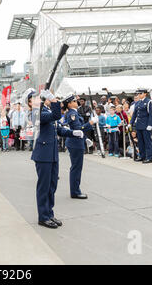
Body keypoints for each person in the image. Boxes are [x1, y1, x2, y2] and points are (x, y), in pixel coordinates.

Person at [31, 91, 82, 229]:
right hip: (43, 155)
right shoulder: (37, 112)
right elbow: (56, 115)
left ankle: (49, 213)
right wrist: (54, 101)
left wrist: (73, 133)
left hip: (52, 154)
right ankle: (43, 217)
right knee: (44, 186)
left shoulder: (46, 110)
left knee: (52, 185)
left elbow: (58, 129)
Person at [63, 94, 98, 199]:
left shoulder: (74, 112)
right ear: (69, 104)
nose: (76, 102)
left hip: (76, 142)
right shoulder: (72, 114)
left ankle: (75, 190)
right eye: (74, 101)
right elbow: (79, 128)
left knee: (76, 167)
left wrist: (85, 139)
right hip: (75, 143)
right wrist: (91, 122)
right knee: (76, 168)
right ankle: (75, 192)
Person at [130, 89, 152, 164]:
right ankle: (142, 156)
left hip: (146, 125)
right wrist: (131, 122)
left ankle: (149, 157)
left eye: (140, 93)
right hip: (139, 125)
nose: (139, 95)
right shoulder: (137, 103)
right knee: (140, 142)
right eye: (138, 94)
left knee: (147, 142)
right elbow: (134, 114)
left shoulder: (149, 102)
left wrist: (150, 124)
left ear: (145, 94)